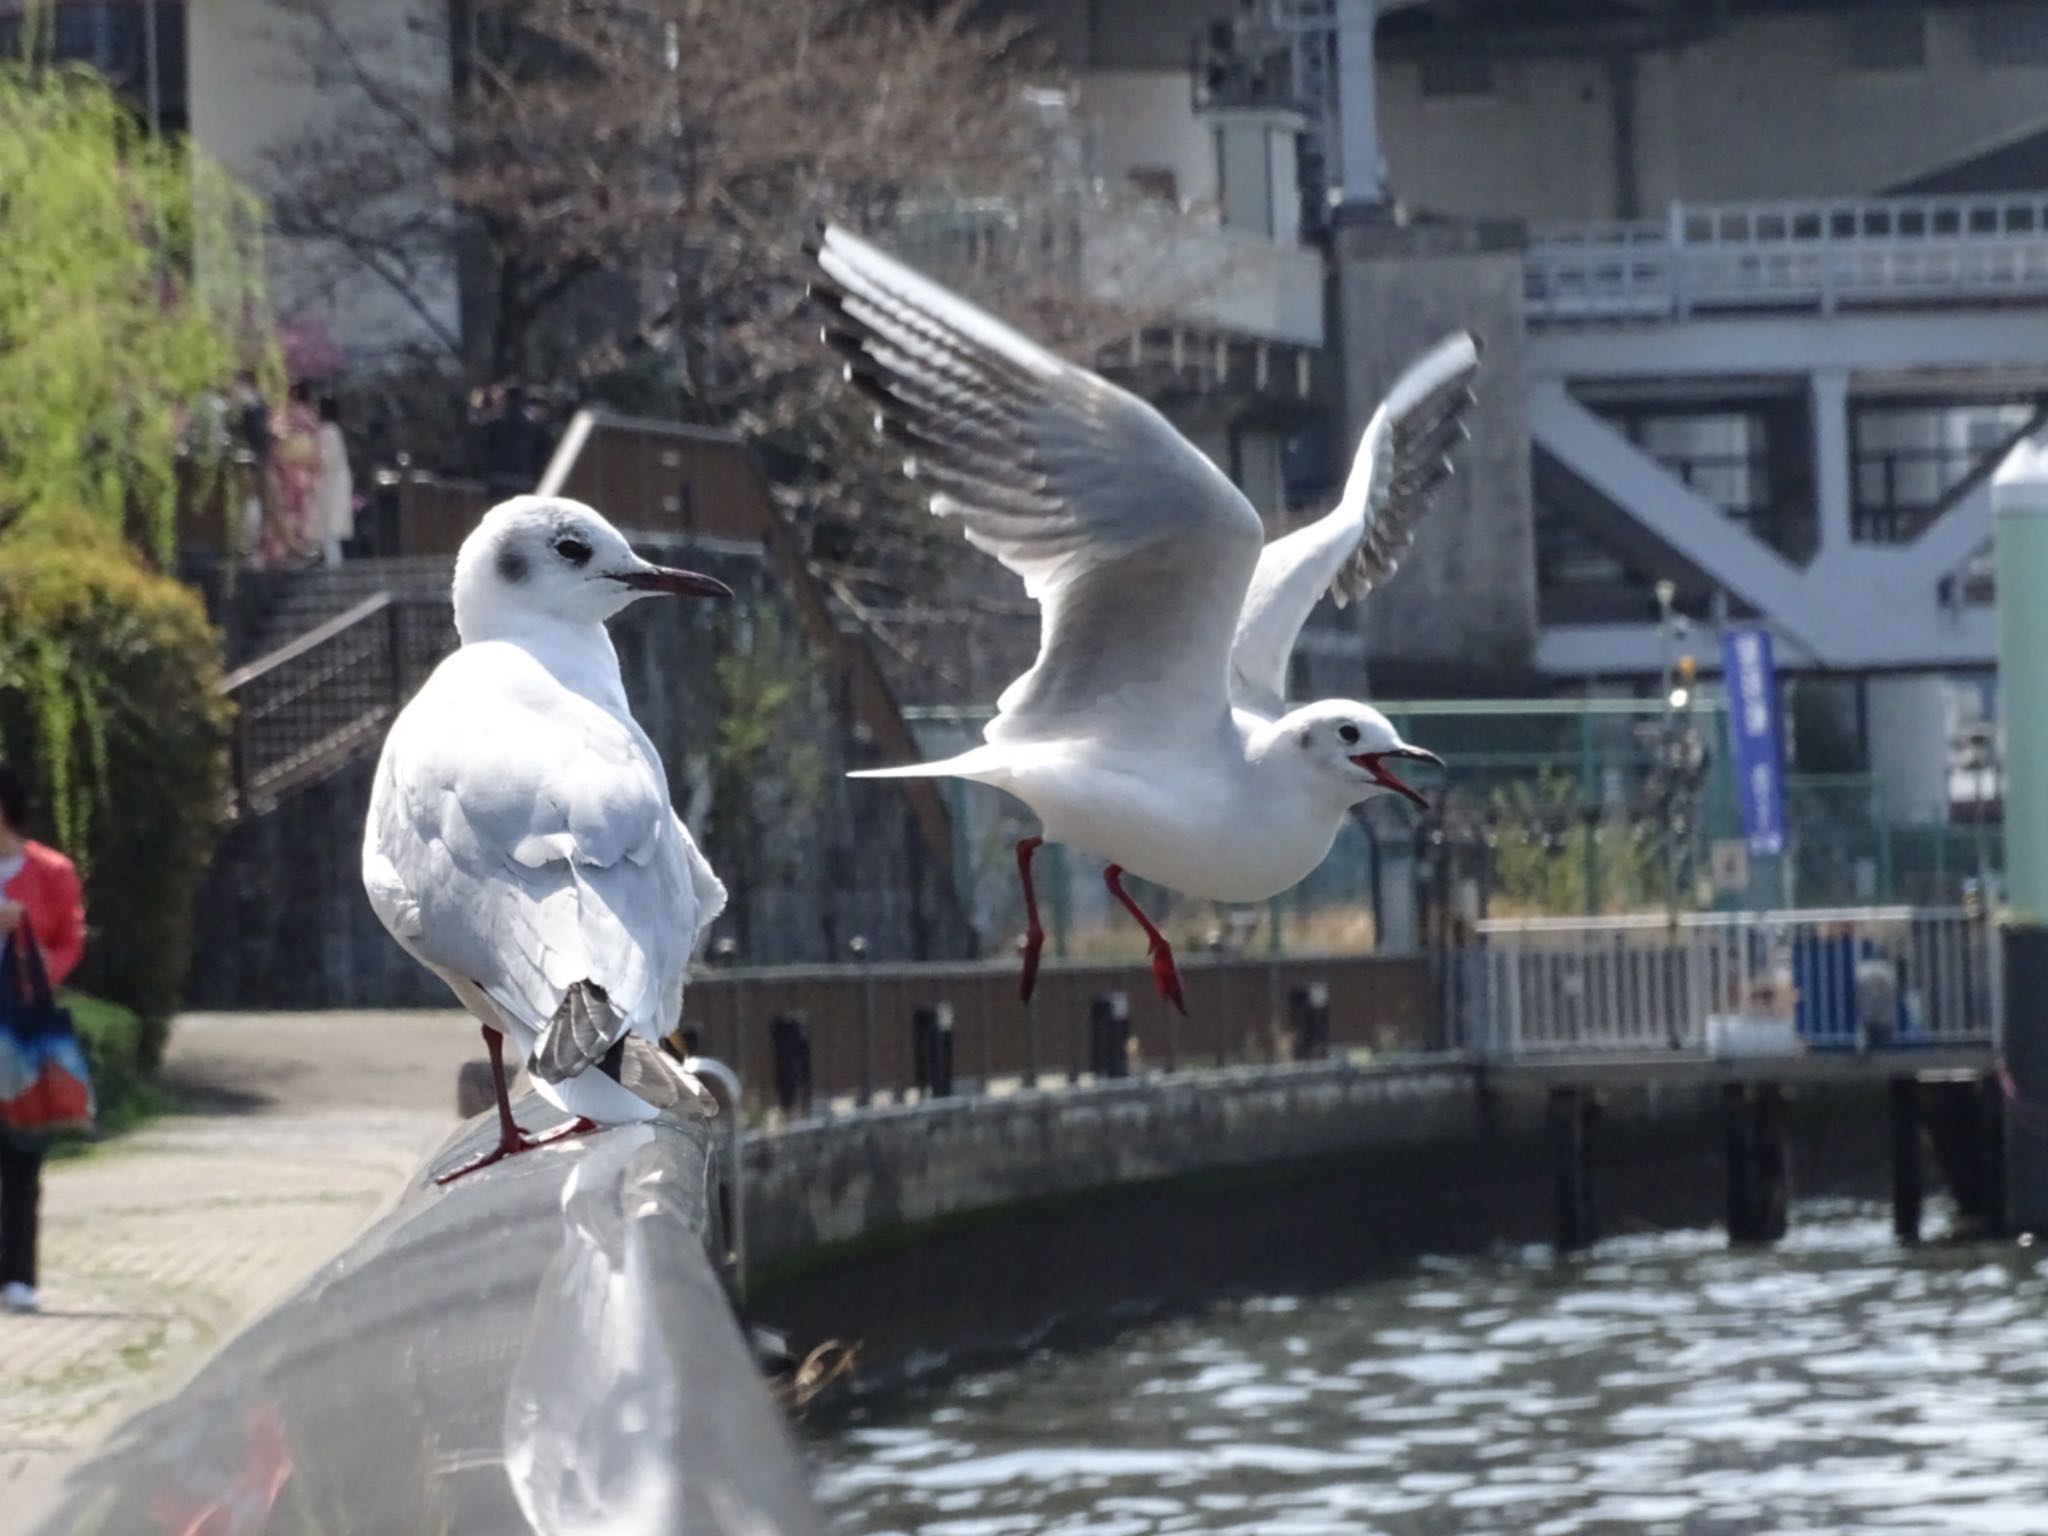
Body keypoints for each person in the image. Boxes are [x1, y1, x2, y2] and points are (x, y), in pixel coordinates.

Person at [0, 761, 86, 1315]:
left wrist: (26, 948)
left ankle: (19, 1275)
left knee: (22, 1153)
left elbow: (68, 940)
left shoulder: (50, 871)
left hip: (23, 1032)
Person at [310, 394, 355, 565]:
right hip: (333, 482)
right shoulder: (333, 430)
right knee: (328, 528)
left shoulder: (327, 432)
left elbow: (325, 459)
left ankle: (331, 563)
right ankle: (330, 560)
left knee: (327, 527)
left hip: (329, 484)